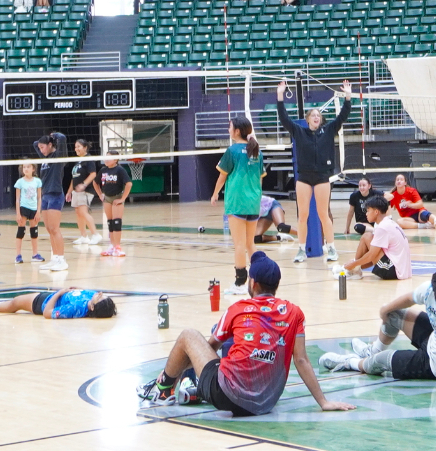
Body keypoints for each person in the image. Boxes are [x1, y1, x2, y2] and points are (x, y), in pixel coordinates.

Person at [141, 252, 352, 415]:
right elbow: (302, 360)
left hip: (227, 396)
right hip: (267, 402)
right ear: (276, 285)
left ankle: (164, 387)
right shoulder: (295, 312)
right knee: (236, 339)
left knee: (190, 336)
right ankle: (175, 383)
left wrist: (174, 372)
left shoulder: (238, 308)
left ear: (253, 283)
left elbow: (207, 351)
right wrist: (323, 402)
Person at [320, 265, 436, 394]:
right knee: (393, 314)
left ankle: (350, 363)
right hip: (434, 339)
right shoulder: (431, 290)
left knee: (379, 362)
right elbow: (409, 298)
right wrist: (384, 309)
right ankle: (371, 350)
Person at [277, 78, 358, 262]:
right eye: (313, 115)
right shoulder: (299, 131)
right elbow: (284, 118)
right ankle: (301, 250)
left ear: (320, 119)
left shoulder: (328, 130)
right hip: (304, 177)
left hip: (322, 177)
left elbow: (343, 115)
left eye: (318, 115)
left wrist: (348, 95)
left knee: (323, 214)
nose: (316, 117)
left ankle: (331, 248)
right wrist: (280, 95)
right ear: (307, 120)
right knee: (302, 215)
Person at [212, 116, 262, 295]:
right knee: (250, 244)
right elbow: (259, 178)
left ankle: (241, 283)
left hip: (237, 202)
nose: (228, 130)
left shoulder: (232, 151)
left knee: (239, 244)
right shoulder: (257, 151)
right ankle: (257, 281)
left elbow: (222, 176)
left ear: (237, 131)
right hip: (254, 203)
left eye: (230, 127)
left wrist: (215, 192)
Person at [344, 196, 411, 281]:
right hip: (400, 269)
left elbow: (372, 255)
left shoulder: (382, 227)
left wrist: (353, 264)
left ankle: (354, 270)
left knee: (367, 237)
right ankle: (354, 269)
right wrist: (355, 263)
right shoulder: (390, 223)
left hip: (393, 270)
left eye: (368, 211)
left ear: (376, 212)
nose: (366, 214)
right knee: (368, 237)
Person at [33, 132, 69, 273]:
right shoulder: (44, 157)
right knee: (49, 229)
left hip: (55, 195)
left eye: (44, 147)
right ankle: (54, 258)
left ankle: (61, 259)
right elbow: (34, 144)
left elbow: (63, 138)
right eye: (40, 148)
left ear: (50, 145)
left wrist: (54, 136)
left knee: (55, 229)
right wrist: (43, 143)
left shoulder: (57, 157)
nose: (41, 150)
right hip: (46, 196)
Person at [0, 287, 117, 318]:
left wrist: (59, 293)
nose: (100, 294)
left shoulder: (74, 308)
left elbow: (47, 314)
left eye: (100, 298)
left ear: (92, 307)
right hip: (52, 296)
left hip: (43, 303)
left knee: (15, 303)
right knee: (15, 301)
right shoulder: (91, 298)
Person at [92, 152, 133, 258]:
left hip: (117, 198)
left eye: (109, 158)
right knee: (110, 223)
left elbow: (129, 184)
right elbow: (95, 183)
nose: (106, 159)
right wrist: (100, 194)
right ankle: (112, 246)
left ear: (116, 159)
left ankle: (118, 247)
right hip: (107, 199)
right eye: (106, 157)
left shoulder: (120, 170)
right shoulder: (103, 170)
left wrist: (123, 198)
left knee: (116, 222)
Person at [66, 137, 100, 249]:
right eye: (75, 147)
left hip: (86, 190)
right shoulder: (78, 161)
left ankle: (96, 235)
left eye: (78, 147)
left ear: (85, 148)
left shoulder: (88, 159)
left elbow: (93, 174)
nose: (76, 149)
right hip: (76, 191)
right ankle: (83, 236)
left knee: (83, 212)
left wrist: (84, 184)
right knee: (78, 213)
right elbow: (74, 178)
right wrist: (69, 191)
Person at [12, 164, 45, 263]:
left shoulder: (37, 181)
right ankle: (18, 255)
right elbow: (17, 199)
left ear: (33, 169)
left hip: (34, 209)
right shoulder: (20, 182)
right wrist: (18, 213)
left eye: (28, 167)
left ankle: (35, 254)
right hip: (23, 208)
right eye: (24, 167)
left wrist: (38, 211)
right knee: (21, 231)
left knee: (34, 232)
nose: (26, 169)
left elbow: (39, 198)